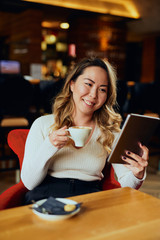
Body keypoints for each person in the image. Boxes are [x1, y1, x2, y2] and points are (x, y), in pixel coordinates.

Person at [21, 57, 149, 204]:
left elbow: (127, 185)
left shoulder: (111, 132)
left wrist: (137, 174)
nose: (93, 95)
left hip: (90, 198)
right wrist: (50, 145)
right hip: (47, 195)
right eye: (88, 84)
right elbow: (29, 183)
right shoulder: (43, 124)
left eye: (102, 89)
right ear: (72, 85)